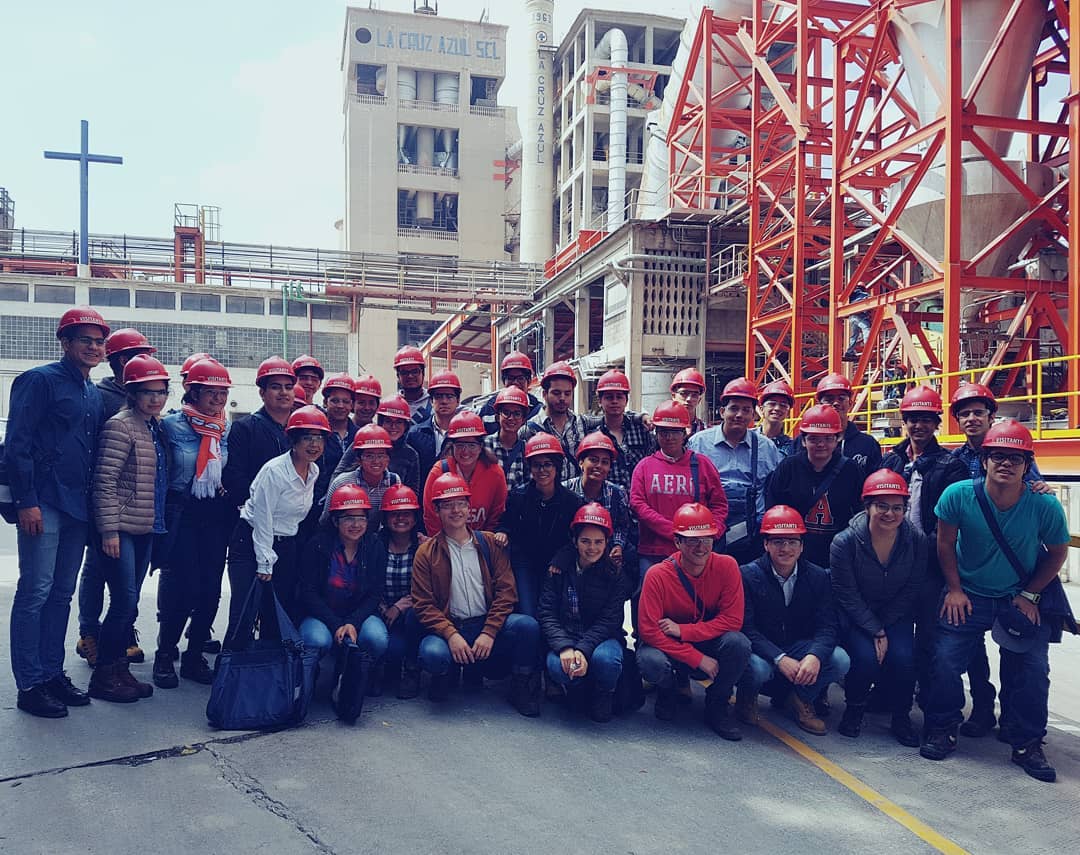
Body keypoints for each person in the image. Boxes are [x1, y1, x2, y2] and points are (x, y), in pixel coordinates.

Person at [921, 421, 1071, 783]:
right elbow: (944, 544)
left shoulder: (1044, 505)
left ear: (1026, 464)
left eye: (1015, 458)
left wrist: (1030, 594)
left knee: (1032, 670)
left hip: (1016, 596)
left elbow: (1057, 554)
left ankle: (1027, 741)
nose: (1006, 464)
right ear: (984, 460)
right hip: (968, 592)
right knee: (943, 659)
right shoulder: (958, 495)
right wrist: (954, 589)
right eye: (998, 456)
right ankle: (943, 726)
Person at [8, 307, 108, 717]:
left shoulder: (92, 392)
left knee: (61, 594)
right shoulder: (39, 381)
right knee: (35, 591)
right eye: (84, 339)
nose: (93, 346)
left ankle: (51, 673)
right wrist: (25, 500)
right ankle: (29, 684)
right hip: (44, 502)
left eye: (99, 341)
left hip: (77, 507)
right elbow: (18, 444)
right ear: (64, 342)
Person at [948, 382, 1052, 737]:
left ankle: (1013, 721)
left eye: (979, 412)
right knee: (968, 650)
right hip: (970, 571)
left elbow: (1034, 497)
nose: (972, 418)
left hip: (1014, 577)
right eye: (965, 413)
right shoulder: (954, 461)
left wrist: (1042, 488)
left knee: (1018, 651)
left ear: (991, 416)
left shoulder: (1018, 455)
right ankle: (981, 707)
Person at [411, 473, 543, 716]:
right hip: (451, 626)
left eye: (460, 503)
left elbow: (507, 592)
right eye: (447, 505)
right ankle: (443, 674)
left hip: (484, 624)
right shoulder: (426, 553)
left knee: (527, 626)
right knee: (432, 653)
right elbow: (423, 605)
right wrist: (450, 635)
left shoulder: (490, 543)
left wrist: (489, 631)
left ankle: (520, 685)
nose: (455, 510)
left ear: (469, 507)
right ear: (437, 510)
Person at [88, 354, 172, 703]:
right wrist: (108, 531)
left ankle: (119, 669)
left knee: (131, 603)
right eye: (147, 392)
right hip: (120, 529)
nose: (155, 398)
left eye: (161, 392)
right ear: (132, 393)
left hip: (143, 528)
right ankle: (104, 676)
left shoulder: (154, 426)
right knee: (123, 602)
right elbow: (104, 481)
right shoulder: (120, 426)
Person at [880, 386, 968, 712]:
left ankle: (933, 706)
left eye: (925, 420)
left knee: (931, 638)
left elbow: (948, 524)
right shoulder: (891, 460)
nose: (918, 426)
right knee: (893, 632)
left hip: (930, 565)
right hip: (891, 564)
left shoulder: (950, 465)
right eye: (913, 419)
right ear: (904, 422)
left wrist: (919, 550)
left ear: (936, 423)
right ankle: (890, 695)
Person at [75, 327, 156, 668]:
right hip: (107, 503)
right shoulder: (100, 396)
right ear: (120, 360)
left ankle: (121, 633)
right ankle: (90, 634)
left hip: (135, 508)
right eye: (139, 355)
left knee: (127, 585)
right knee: (96, 570)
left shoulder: (143, 399)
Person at [637, 503, 751, 740]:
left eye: (706, 539)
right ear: (677, 542)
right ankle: (667, 691)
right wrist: (697, 659)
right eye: (692, 540)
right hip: (671, 647)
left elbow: (732, 621)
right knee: (650, 660)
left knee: (738, 643)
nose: (701, 547)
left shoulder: (727, 566)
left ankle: (717, 704)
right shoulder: (658, 575)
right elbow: (649, 631)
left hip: (703, 640)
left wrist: (684, 631)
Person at [830, 470, 927, 747]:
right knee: (865, 657)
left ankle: (901, 716)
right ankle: (855, 707)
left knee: (904, 658)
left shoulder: (916, 540)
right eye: (881, 506)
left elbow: (913, 586)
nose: (890, 513)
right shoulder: (845, 542)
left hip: (896, 614)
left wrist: (884, 626)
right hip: (858, 614)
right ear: (867, 506)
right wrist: (874, 628)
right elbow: (845, 592)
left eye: (897, 507)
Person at [153, 358, 233, 689]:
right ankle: (165, 653)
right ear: (193, 391)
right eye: (210, 392)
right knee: (186, 588)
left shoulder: (224, 427)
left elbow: (224, 467)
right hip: (182, 513)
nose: (217, 399)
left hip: (214, 514)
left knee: (211, 591)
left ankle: (194, 654)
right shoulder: (171, 426)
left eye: (222, 393)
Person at [735, 505, 849, 735]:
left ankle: (799, 699)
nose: (785, 548)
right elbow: (745, 628)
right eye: (777, 541)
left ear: (802, 546)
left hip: (799, 646)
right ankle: (746, 698)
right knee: (755, 668)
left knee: (840, 659)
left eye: (792, 542)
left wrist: (814, 656)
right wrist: (779, 658)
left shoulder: (818, 577)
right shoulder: (747, 575)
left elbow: (828, 626)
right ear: (765, 544)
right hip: (764, 650)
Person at [226, 405, 329, 639]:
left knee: (275, 614)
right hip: (251, 542)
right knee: (244, 614)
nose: (313, 445)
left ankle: (267, 672)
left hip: (284, 544)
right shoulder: (275, 471)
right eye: (306, 438)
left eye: (319, 439)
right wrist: (264, 562)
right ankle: (231, 672)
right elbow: (263, 518)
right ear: (293, 440)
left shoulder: (313, 471)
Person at [631, 401, 728, 636]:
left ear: (686, 433)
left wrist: (711, 534)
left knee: (696, 606)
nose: (669, 437)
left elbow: (719, 505)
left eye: (675, 431)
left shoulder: (702, 465)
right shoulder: (645, 467)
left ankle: (692, 651)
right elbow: (637, 504)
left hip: (695, 552)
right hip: (654, 552)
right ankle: (648, 652)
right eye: (663, 431)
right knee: (647, 601)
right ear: (656, 433)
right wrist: (673, 530)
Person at [297, 483, 386, 724]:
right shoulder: (318, 545)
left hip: (357, 616)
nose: (356, 524)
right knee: (316, 640)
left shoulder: (375, 546)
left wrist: (353, 623)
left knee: (377, 638)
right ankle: (310, 677)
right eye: (348, 518)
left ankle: (356, 675)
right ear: (335, 521)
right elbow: (308, 592)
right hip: (323, 616)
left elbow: (375, 593)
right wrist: (336, 624)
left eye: (361, 518)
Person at [538, 503, 628, 722]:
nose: (592, 548)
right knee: (557, 666)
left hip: (600, 639)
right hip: (567, 636)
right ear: (575, 541)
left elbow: (610, 620)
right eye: (585, 541)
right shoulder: (557, 569)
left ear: (607, 542)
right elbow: (546, 612)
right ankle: (578, 688)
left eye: (599, 542)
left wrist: (583, 649)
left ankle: (603, 693)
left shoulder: (615, 574)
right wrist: (566, 647)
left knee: (607, 661)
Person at [689, 377, 782, 564]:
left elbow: (776, 489)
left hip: (752, 536)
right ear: (722, 411)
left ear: (754, 416)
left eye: (746, 410)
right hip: (708, 531)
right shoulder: (699, 443)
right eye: (734, 408)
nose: (739, 415)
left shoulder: (766, 448)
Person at [765, 404, 864, 567]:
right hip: (795, 556)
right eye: (813, 438)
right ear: (803, 440)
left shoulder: (851, 470)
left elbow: (861, 513)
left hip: (837, 555)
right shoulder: (789, 468)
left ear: (837, 439)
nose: (821, 444)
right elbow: (773, 509)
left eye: (828, 438)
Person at [495, 434, 583, 617]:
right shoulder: (518, 497)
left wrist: (562, 558)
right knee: (529, 613)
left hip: (556, 564)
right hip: (525, 564)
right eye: (536, 465)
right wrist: (503, 532)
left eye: (547, 464)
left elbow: (577, 537)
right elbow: (506, 523)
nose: (542, 470)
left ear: (557, 467)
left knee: (554, 614)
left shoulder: (572, 501)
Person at [221, 356, 296, 513]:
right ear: (262, 393)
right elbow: (235, 477)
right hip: (257, 514)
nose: (283, 392)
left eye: (288, 387)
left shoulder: (302, 428)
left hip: (297, 516)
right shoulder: (244, 428)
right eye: (276, 387)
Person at [422, 411, 507, 535]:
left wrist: (483, 543)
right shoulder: (439, 472)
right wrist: (442, 547)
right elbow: (430, 516)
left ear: (481, 446)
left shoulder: (495, 473)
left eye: (472, 445)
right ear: (452, 446)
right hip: (445, 544)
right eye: (460, 445)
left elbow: (497, 515)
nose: (465, 451)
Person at [376, 484, 425, 699]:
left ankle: (412, 669)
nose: (400, 519)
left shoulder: (425, 547)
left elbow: (429, 589)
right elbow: (366, 583)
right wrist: (382, 606)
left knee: (414, 619)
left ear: (415, 518)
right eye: (394, 514)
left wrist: (400, 606)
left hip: (413, 616)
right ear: (385, 518)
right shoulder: (375, 545)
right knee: (389, 648)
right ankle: (377, 668)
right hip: (381, 611)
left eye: (406, 514)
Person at [562, 432, 634, 573]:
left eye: (605, 462)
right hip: (569, 557)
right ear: (581, 462)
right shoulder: (565, 491)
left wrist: (618, 546)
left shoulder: (617, 493)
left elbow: (622, 525)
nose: (599, 466)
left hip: (605, 554)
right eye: (593, 460)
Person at [793, 373, 882, 475]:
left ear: (850, 403)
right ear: (819, 404)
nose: (836, 403)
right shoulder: (801, 442)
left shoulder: (867, 444)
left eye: (841, 398)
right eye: (829, 399)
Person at [581, 369, 655, 489]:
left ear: (626, 400)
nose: (614, 401)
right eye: (609, 397)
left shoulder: (641, 430)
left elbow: (652, 463)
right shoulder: (592, 434)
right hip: (607, 500)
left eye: (619, 397)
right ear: (600, 401)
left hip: (638, 498)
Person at [520, 361, 592, 481]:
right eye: (556, 393)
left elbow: (611, 418)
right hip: (545, 497)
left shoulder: (582, 423)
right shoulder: (529, 429)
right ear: (544, 394)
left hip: (576, 498)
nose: (562, 398)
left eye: (567, 393)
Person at [323, 424, 402, 527]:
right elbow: (326, 520)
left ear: (388, 459)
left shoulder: (394, 481)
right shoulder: (342, 482)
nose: (376, 461)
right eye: (369, 456)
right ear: (359, 460)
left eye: (381, 455)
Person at [406, 370, 462, 480]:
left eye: (449, 396)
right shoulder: (414, 434)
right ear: (431, 400)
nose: (444, 401)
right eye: (439, 396)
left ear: (458, 400)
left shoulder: (465, 434)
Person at [477, 351, 543, 433]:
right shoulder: (489, 409)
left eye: (520, 378)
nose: (515, 382)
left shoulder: (538, 410)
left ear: (529, 381)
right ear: (504, 381)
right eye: (510, 378)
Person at [483, 386, 530, 491]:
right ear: (497, 416)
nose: (511, 418)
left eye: (517, 414)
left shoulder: (527, 450)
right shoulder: (483, 445)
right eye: (506, 412)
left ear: (523, 419)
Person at [756, 379, 795, 457]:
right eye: (772, 404)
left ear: (788, 413)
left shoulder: (793, 447)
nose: (777, 408)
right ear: (761, 409)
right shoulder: (747, 439)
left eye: (783, 405)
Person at [393, 345, 431, 420]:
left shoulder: (434, 402)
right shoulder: (393, 404)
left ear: (423, 373)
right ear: (398, 376)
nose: (410, 376)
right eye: (404, 372)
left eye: (415, 371)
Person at [670, 367, 708, 435]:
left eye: (694, 395)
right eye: (684, 393)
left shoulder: (706, 431)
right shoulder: (662, 428)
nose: (689, 399)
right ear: (673, 396)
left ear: (699, 400)